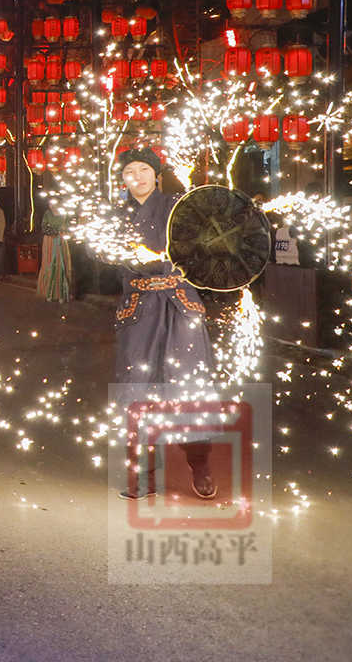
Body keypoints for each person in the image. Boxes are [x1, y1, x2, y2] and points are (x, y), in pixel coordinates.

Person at [112, 147, 216, 501]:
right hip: (139, 309)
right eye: (129, 171)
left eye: (143, 169)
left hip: (178, 305)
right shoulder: (116, 216)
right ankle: (142, 473)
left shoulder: (177, 206)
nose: (136, 177)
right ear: (122, 178)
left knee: (189, 385)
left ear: (156, 174)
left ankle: (199, 464)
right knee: (137, 389)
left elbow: (205, 245)